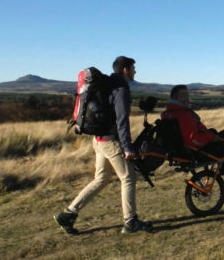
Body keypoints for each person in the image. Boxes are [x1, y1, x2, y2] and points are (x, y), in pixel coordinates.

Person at [54, 56, 152, 234]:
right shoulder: (121, 89)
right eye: (133, 68)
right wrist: (127, 147)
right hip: (111, 142)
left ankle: (68, 214)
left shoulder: (107, 84)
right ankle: (131, 222)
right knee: (128, 178)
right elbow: (122, 121)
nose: (135, 71)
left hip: (98, 140)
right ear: (125, 69)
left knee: (101, 179)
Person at [161, 85, 224, 176]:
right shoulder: (183, 115)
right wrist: (212, 137)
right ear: (175, 98)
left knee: (213, 131)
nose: (187, 98)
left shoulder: (170, 113)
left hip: (188, 151)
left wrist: (210, 134)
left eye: (187, 95)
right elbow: (193, 139)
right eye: (183, 95)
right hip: (199, 152)